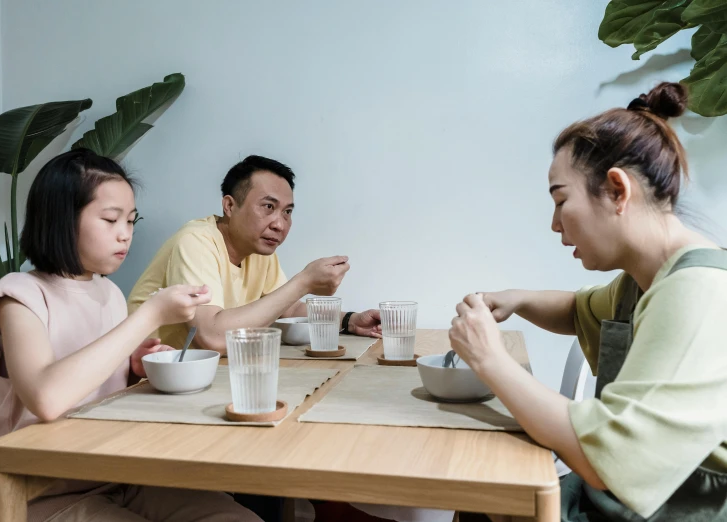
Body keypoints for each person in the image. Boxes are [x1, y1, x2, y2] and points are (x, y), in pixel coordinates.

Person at [448, 82, 727, 521]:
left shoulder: (697, 292)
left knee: (482, 494)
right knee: (482, 497)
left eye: (562, 200)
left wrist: (489, 358)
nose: (555, 224)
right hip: (619, 497)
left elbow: (609, 463)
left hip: (669, 507)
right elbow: (578, 311)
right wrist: (517, 300)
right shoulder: (645, 278)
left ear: (617, 190)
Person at [0, 149, 261, 522]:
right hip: (35, 493)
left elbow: (98, 386)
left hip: (113, 473)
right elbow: (46, 398)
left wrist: (133, 366)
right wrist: (149, 315)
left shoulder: (107, 292)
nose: (125, 234)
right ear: (61, 219)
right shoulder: (19, 295)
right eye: (110, 220)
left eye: (131, 220)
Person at [127, 155, 381, 353]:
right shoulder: (195, 241)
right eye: (268, 207)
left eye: (287, 212)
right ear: (229, 205)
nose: (279, 224)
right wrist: (303, 281)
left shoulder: (261, 252)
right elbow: (212, 336)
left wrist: (350, 320)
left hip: (210, 375)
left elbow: (287, 310)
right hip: (143, 380)